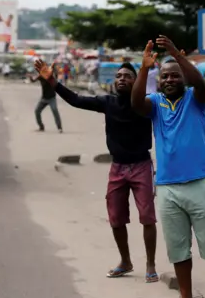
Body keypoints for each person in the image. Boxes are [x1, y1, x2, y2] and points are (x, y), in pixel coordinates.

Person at [35, 59, 159, 282]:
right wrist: (52, 80)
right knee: (116, 219)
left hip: (141, 166)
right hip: (117, 168)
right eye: (119, 76)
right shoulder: (107, 102)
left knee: (147, 217)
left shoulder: (145, 104)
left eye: (127, 77)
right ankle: (126, 261)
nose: (121, 79)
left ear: (136, 81)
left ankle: (150, 263)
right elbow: (75, 100)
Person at [132, 36, 205, 298]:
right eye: (164, 77)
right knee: (178, 250)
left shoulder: (195, 98)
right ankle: (185, 297)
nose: (170, 80)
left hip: (199, 183)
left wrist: (176, 55)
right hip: (166, 187)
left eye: (175, 76)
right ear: (159, 81)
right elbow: (136, 104)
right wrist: (144, 69)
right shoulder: (155, 103)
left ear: (183, 77)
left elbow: (199, 83)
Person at [30, 63, 63, 133]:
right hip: (44, 98)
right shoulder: (40, 76)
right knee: (37, 111)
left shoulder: (51, 76)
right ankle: (41, 126)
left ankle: (59, 127)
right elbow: (33, 81)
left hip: (51, 98)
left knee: (55, 111)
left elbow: (55, 80)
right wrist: (30, 77)